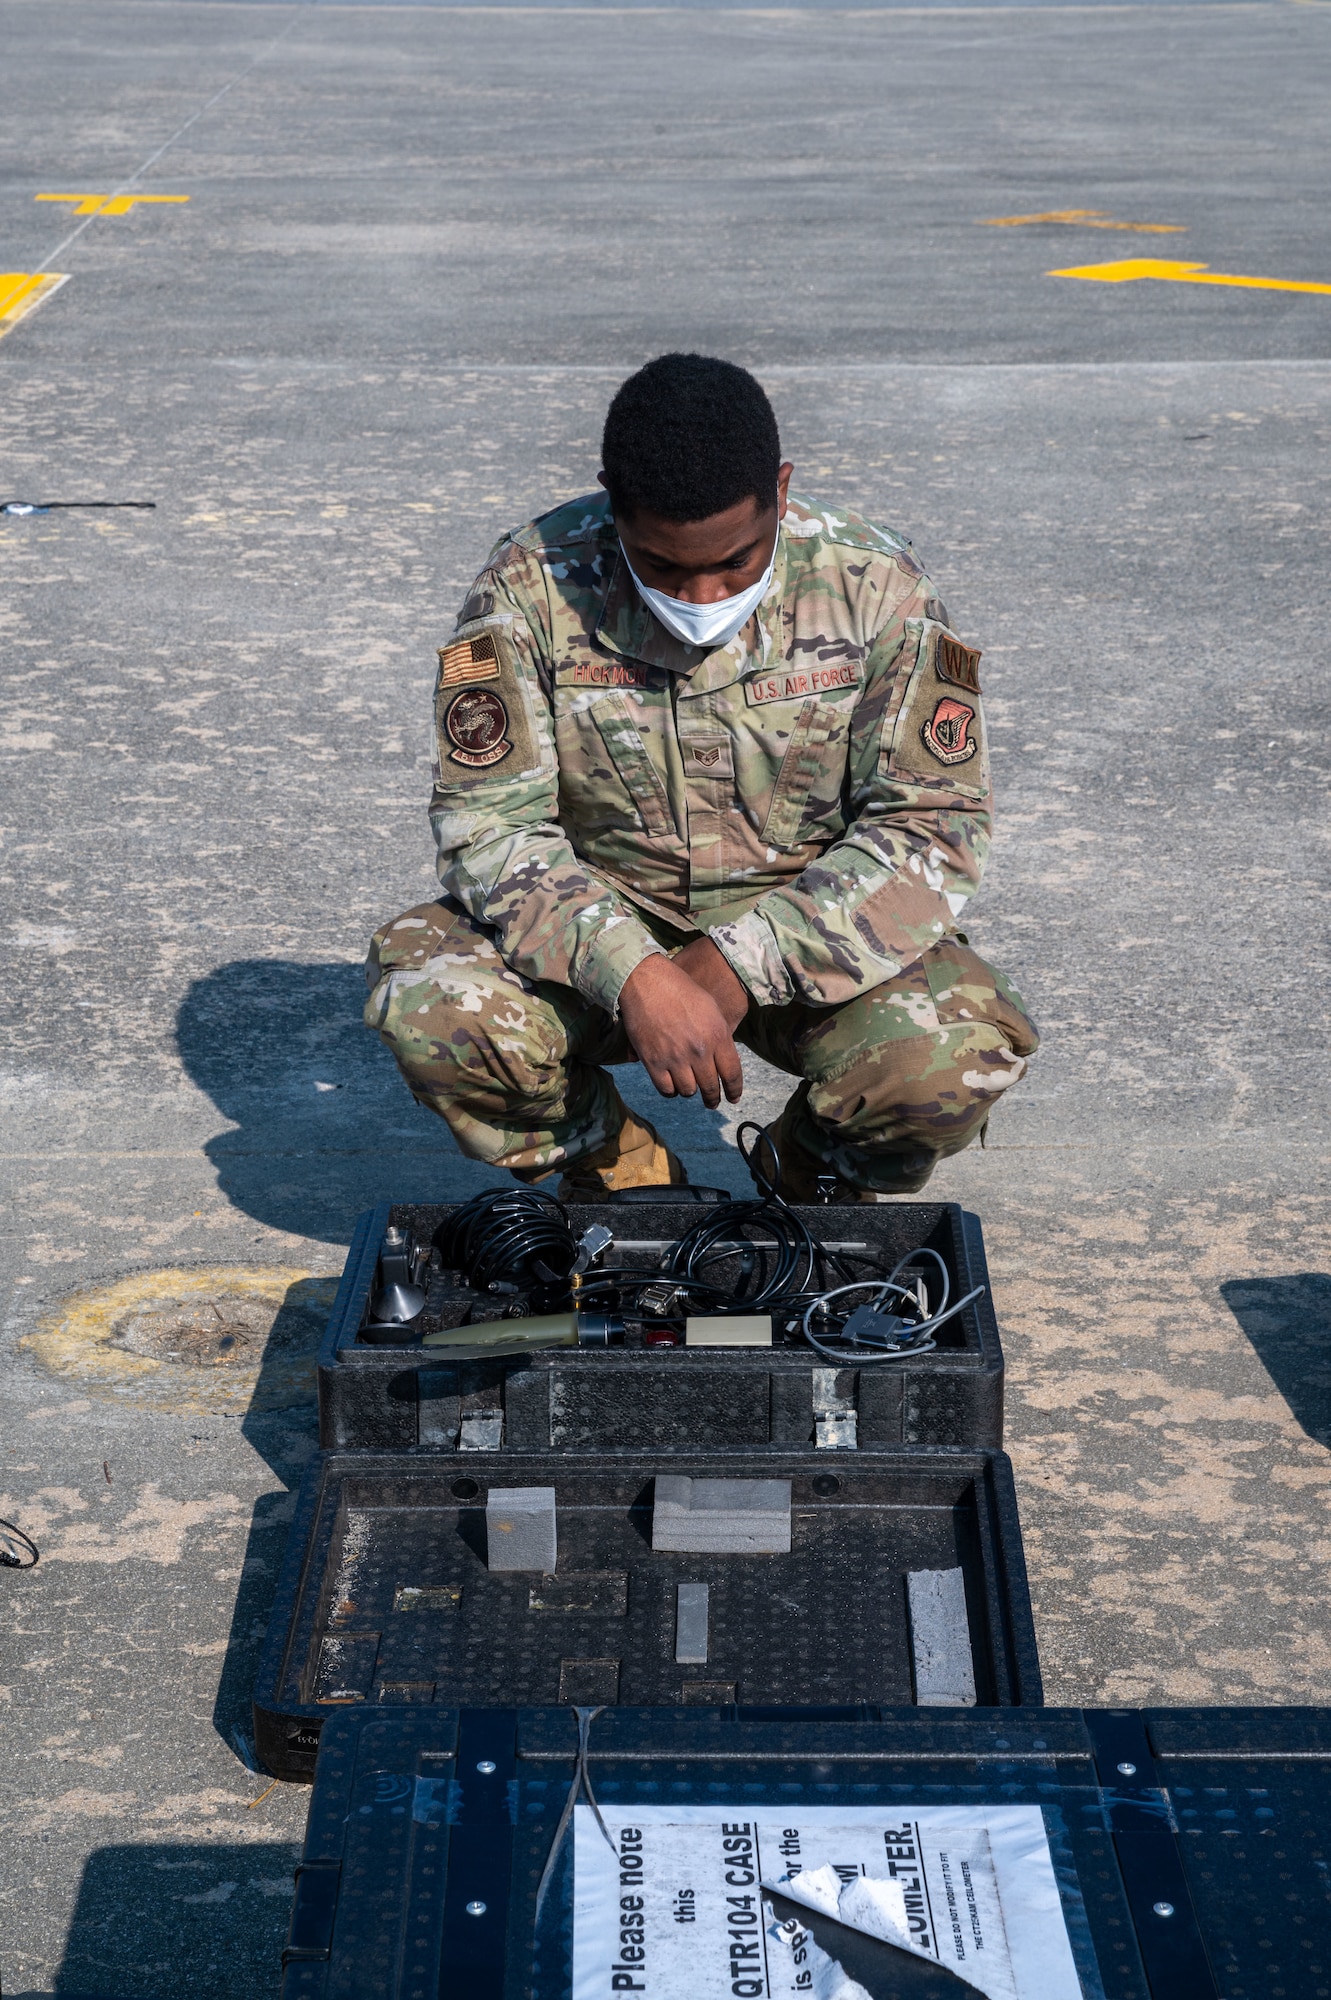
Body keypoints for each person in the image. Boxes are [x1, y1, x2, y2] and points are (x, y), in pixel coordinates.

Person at [364, 353, 1037, 1201]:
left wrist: (743, 963)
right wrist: (631, 971)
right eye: (664, 566)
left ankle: (812, 1175)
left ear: (781, 492)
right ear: (613, 505)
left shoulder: (874, 586)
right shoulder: (530, 585)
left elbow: (930, 826)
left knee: (951, 1054)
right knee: (436, 1009)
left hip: (807, 922)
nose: (701, 594)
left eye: (736, 560)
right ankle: (617, 1171)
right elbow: (488, 830)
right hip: (607, 914)